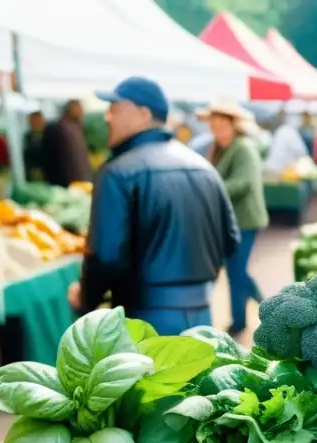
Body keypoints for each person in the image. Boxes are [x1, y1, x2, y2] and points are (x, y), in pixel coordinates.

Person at [67, 77, 239, 335]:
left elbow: (106, 257)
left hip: (144, 321)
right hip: (202, 318)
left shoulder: (118, 172)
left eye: (115, 108)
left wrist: (86, 298)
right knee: (198, 376)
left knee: (151, 377)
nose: (107, 117)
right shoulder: (203, 167)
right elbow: (230, 240)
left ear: (143, 114)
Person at [198, 98, 268, 337]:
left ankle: (240, 322)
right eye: (213, 124)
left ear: (233, 123)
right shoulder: (220, 148)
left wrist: (209, 188)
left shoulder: (243, 148)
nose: (216, 127)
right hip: (231, 222)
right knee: (236, 271)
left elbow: (243, 184)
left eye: (221, 123)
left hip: (245, 220)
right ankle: (267, 306)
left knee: (236, 272)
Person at [41, 100, 93, 187]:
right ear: (70, 109)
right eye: (78, 108)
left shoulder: (78, 126)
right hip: (66, 179)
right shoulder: (58, 128)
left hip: (81, 177)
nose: (81, 111)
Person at [264, 109, 309, 176]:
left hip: (273, 170)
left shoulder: (279, 131)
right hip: (283, 173)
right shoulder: (289, 131)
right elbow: (301, 153)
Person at [23, 110, 47, 181]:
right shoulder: (27, 137)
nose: (36, 123)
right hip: (33, 170)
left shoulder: (49, 135)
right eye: (33, 120)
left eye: (38, 120)